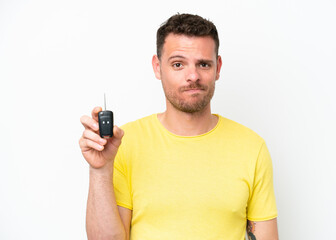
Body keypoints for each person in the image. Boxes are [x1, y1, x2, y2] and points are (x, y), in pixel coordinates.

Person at [79, 13, 278, 240]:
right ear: (157, 67)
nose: (192, 76)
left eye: (203, 64)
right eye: (178, 64)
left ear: (218, 67)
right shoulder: (124, 143)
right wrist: (100, 170)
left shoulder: (251, 148)